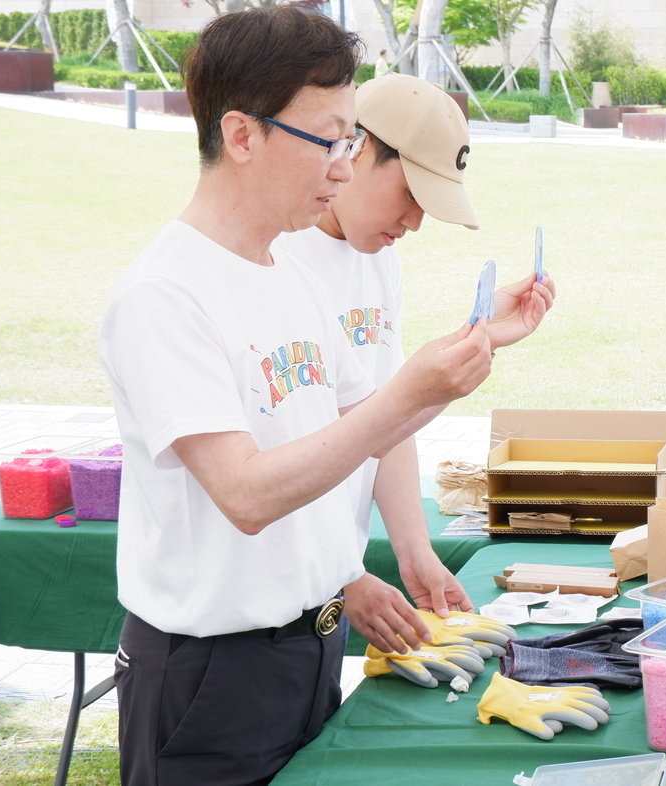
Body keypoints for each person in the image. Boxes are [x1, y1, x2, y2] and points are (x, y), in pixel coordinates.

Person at [99, 8, 496, 784]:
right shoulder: (164, 295)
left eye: (351, 142)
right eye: (329, 141)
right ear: (243, 136)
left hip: (309, 648)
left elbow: (362, 433)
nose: (344, 168)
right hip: (212, 676)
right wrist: (403, 391)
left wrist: (469, 359)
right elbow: (244, 494)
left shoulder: (285, 274)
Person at [273, 73, 555, 652]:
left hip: (321, 593)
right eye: (412, 195)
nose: (416, 222)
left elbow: (383, 418)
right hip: (277, 592)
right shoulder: (275, 260)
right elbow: (269, 464)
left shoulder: (377, 260)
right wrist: (345, 577)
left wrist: (414, 550)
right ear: (356, 148)